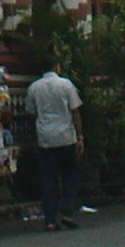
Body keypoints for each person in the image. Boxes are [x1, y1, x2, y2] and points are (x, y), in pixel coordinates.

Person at [27, 55, 84, 231]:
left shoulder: (34, 88)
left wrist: (34, 138)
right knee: (70, 176)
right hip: (66, 137)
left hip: (45, 139)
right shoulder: (66, 85)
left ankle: (50, 220)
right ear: (56, 67)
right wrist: (80, 136)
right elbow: (75, 112)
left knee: (48, 179)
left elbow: (31, 114)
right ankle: (67, 211)